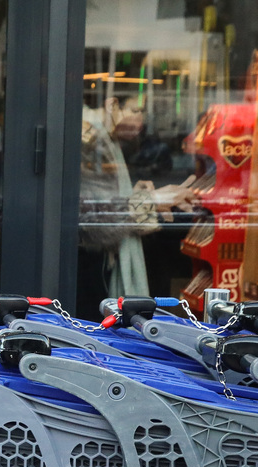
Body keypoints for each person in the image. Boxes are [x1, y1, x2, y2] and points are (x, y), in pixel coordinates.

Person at [76, 92, 194, 317]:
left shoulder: (105, 139)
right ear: (112, 105)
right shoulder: (91, 141)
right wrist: (152, 201)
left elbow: (101, 202)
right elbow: (92, 220)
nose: (141, 119)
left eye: (143, 112)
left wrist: (137, 196)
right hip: (87, 268)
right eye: (135, 111)